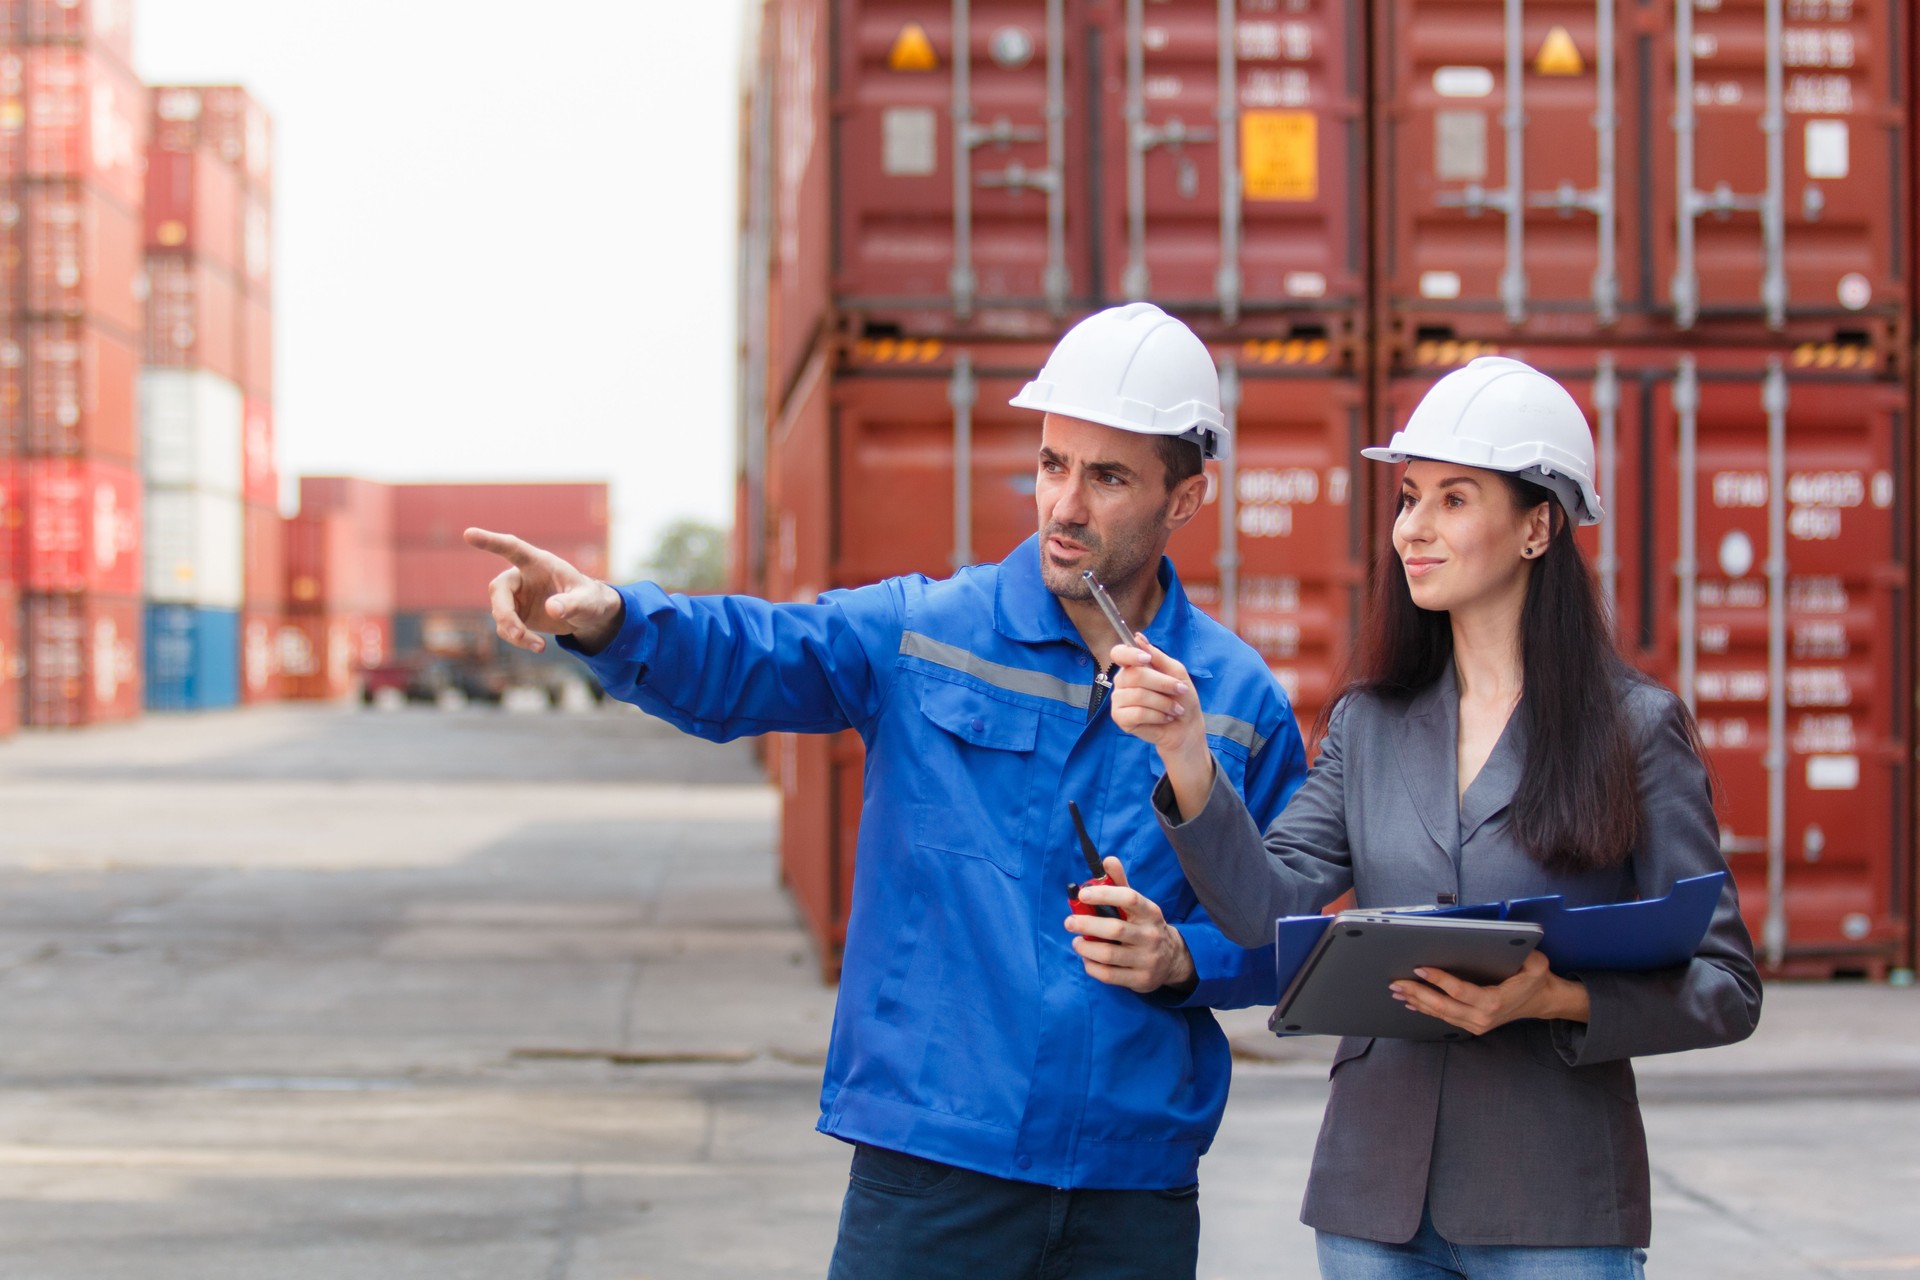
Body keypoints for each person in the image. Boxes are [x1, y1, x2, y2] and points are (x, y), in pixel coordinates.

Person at [465, 302, 1308, 1279]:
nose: (1064, 505)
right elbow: (755, 652)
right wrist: (611, 618)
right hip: (931, 1170)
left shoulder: (1236, 700)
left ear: (1187, 497)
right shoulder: (929, 631)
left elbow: (1289, 942)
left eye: (1108, 475)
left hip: (1133, 1186)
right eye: (1051, 463)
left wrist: (1180, 959)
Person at [1109, 356, 1763, 1278]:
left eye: (1453, 500)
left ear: (1538, 526)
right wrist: (1184, 752)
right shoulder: (1371, 724)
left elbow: (1728, 985)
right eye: (1409, 499)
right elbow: (1267, 911)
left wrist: (1557, 998)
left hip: (1555, 1203)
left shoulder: (1635, 730)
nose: (1413, 528)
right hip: (1372, 1198)